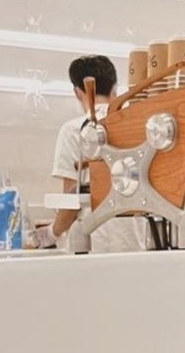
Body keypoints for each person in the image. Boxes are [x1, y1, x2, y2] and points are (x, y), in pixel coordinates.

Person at [37, 55, 146, 252]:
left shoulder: (74, 130)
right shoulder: (133, 126)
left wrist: (51, 234)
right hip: (133, 240)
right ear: (114, 89)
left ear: (78, 92)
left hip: (92, 242)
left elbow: (72, 201)